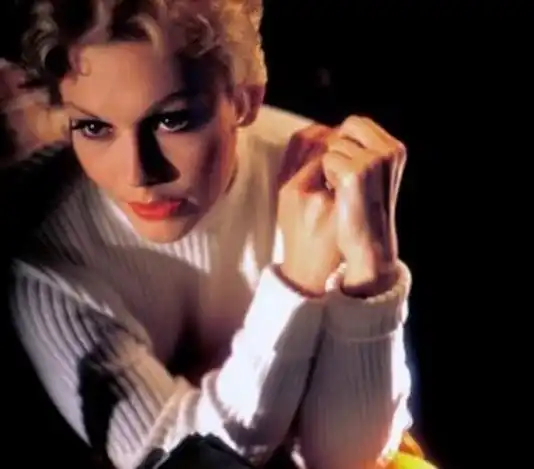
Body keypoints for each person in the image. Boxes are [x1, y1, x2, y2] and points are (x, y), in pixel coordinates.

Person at [2, 0, 416, 468]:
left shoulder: (312, 178)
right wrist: (297, 282)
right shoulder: (45, 260)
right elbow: (182, 465)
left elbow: (349, 459)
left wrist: (373, 271)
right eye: (94, 127)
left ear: (244, 100)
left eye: (172, 119)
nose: (138, 174)